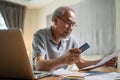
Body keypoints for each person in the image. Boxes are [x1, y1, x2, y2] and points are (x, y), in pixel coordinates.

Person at [32, 6, 118, 71]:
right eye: (68, 22)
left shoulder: (72, 40)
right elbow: (39, 66)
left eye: (73, 24)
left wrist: (102, 62)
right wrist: (63, 59)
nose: (71, 28)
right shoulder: (40, 35)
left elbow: (81, 64)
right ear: (55, 20)